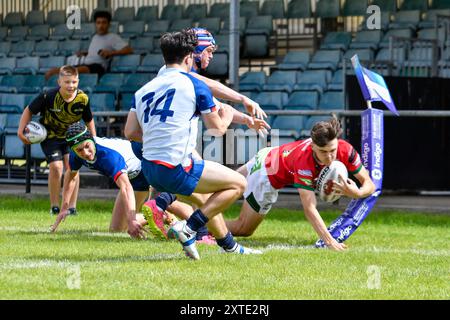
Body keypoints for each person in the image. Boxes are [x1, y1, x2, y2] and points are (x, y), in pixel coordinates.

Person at [124, 29, 262, 260]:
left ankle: (228, 245)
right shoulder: (194, 85)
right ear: (189, 56)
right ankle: (188, 228)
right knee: (238, 183)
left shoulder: (143, 89)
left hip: (149, 168)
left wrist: (160, 138)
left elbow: (130, 132)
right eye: (207, 51)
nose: (210, 56)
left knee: (204, 199)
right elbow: (217, 129)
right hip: (175, 165)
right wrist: (228, 115)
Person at [225, 117, 376, 251]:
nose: (330, 157)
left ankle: (203, 221)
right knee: (243, 228)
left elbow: (369, 183)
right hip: (267, 173)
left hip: (269, 154)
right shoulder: (304, 162)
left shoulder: (346, 150)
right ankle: (205, 228)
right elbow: (309, 208)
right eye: (323, 152)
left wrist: (357, 193)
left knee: (221, 189)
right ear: (313, 147)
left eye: (332, 150)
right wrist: (330, 241)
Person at [18, 65, 96, 215]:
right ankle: (54, 206)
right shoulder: (48, 96)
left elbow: (89, 119)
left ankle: (71, 207)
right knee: (56, 167)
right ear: (59, 81)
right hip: (50, 137)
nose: (70, 85)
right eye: (67, 82)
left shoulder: (83, 99)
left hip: (71, 138)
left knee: (72, 168)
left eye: (73, 82)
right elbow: (29, 110)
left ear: (78, 81)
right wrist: (20, 131)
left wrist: (94, 139)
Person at [45, 10, 133, 80]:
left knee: (69, 71)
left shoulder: (113, 37)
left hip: (98, 67)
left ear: (109, 24)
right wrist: (86, 53)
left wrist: (111, 53)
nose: (101, 26)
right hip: (86, 64)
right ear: (95, 24)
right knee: (53, 72)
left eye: (104, 22)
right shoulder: (95, 37)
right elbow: (94, 52)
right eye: (98, 23)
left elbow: (129, 50)